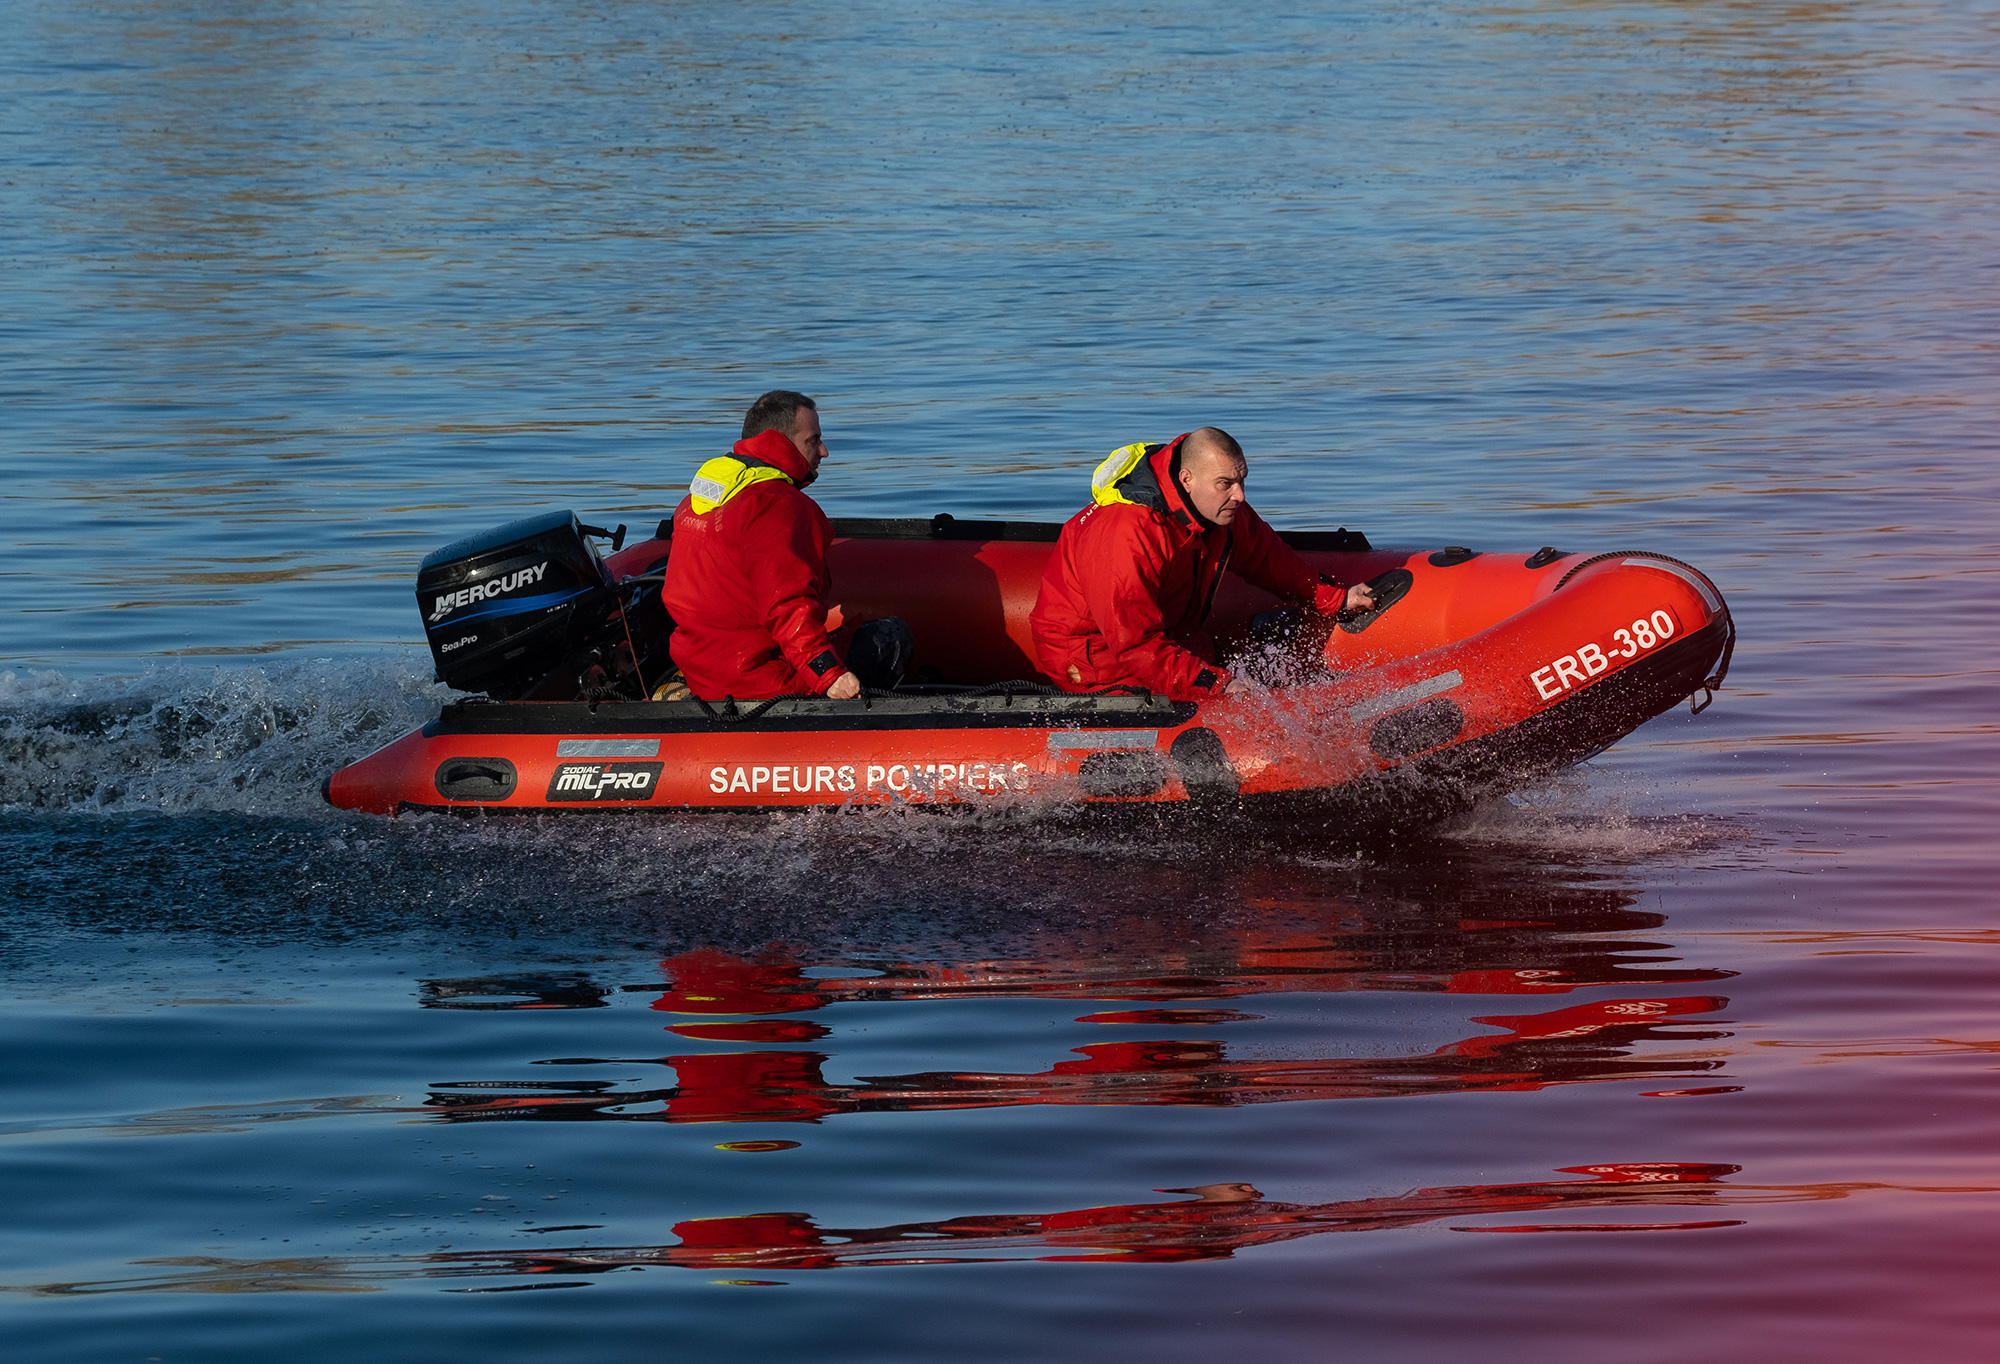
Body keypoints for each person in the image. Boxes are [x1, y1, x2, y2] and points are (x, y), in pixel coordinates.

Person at [1029, 427, 1374, 700]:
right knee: (1228, 698)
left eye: (1242, 480)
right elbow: (1133, 644)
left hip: (1175, 639)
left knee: (1264, 680)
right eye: (1226, 484)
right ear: (1186, 480)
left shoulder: (1218, 508)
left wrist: (1335, 599)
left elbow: (1269, 558)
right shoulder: (1127, 533)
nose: (1239, 495)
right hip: (1097, 661)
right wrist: (1217, 685)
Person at [663, 390, 911, 700]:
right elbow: (787, 605)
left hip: (705, 677)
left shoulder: (697, 501)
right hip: (764, 684)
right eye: (812, 440)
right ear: (780, 443)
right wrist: (829, 674)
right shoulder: (777, 506)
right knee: (892, 635)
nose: (824, 450)